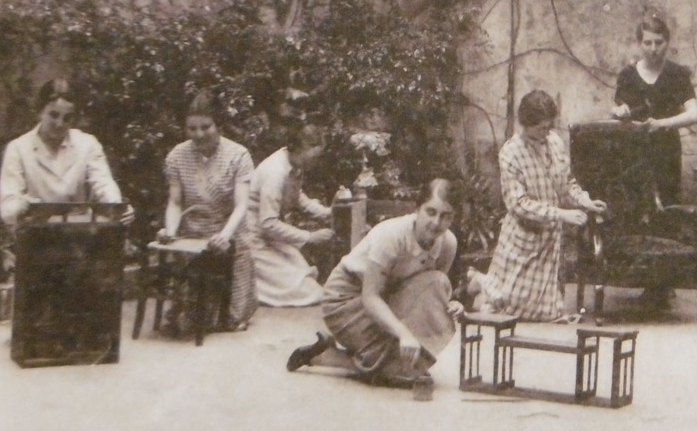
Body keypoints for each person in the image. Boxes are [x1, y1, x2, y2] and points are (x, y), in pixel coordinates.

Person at [286, 179, 467, 395]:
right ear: (417, 209)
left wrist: (452, 303)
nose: (436, 222)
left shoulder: (447, 243)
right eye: (430, 212)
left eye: (445, 215)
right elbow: (370, 296)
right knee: (395, 367)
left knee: (438, 282)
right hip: (346, 300)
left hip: (388, 298)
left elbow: (431, 292)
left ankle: (337, 355)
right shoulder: (391, 235)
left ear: (453, 218)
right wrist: (404, 334)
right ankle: (329, 358)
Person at [468, 90, 607, 321]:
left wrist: (586, 201)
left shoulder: (554, 142)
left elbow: (567, 182)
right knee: (508, 303)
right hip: (524, 237)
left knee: (544, 312)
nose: (546, 132)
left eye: (548, 127)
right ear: (525, 123)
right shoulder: (511, 153)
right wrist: (561, 214)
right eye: (540, 128)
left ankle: (485, 283)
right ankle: (480, 282)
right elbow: (518, 204)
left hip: (550, 240)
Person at [159, 90, 256, 333]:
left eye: (206, 127)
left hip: (229, 231)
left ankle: (231, 308)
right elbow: (175, 202)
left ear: (219, 125)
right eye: (192, 128)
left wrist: (225, 234)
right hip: (192, 230)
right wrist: (171, 230)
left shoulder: (238, 155)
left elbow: (242, 205)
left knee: (231, 321)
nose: (198, 134)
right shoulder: (177, 156)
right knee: (187, 320)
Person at [0, 78, 127, 225]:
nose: (60, 124)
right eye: (53, 115)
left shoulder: (87, 144)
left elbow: (103, 184)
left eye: (67, 118)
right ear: (40, 112)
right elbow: (7, 209)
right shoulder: (18, 149)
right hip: (36, 234)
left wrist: (117, 207)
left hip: (81, 232)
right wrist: (26, 206)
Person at [610, 15, 697, 206]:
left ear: (667, 42)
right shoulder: (627, 75)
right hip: (632, 153)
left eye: (659, 42)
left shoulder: (677, 74)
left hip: (666, 151)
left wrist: (661, 124)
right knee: (633, 206)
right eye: (647, 43)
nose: (653, 49)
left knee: (668, 207)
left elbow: (694, 114)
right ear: (639, 44)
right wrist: (619, 111)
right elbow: (616, 109)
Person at [247, 121, 338, 307]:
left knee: (303, 272)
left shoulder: (293, 164)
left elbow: (297, 197)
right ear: (302, 148)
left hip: (269, 238)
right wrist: (310, 237)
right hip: (253, 239)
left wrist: (327, 213)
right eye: (314, 156)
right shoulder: (275, 172)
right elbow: (268, 223)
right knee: (306, 291)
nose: (316, 161)